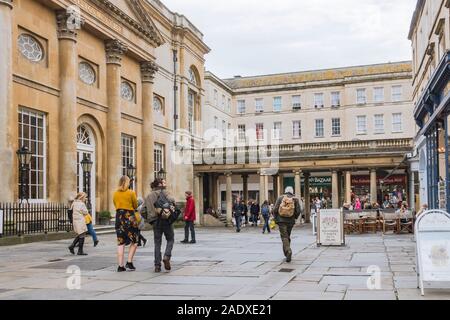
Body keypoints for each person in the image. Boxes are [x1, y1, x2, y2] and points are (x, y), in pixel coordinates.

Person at [143, 178, 179, 273]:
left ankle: (157, 266)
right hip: (166, 220)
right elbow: (174, 203)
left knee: (157, 243)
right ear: (160, 184)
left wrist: (150, 219)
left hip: (155, 222)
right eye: (163, 182)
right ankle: (167, 256)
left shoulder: (149, 196)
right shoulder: (166, 193)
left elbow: (142, 210)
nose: (165, 184)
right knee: (170, 239)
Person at [113, 176, 139, 272]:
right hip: (129, 217)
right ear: (127, 183)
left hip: (119, 217)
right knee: (135, 241)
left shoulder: (115, 193)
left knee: (121, 242)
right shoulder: (131, 192)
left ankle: (120, 266)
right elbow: (135, 205)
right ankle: (129, 262)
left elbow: (115, 204)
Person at [273, 187, 303, 263]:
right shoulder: (295, 199)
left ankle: (288, 251)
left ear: (285, 191)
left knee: (284, 236)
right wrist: (295, 217)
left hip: (281, 220)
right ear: (292, 192)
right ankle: (287, 253)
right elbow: (299, 210)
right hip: (290, 221)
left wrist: (275, 218)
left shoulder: (280, 198)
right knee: (287, 236)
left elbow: (275, 209)